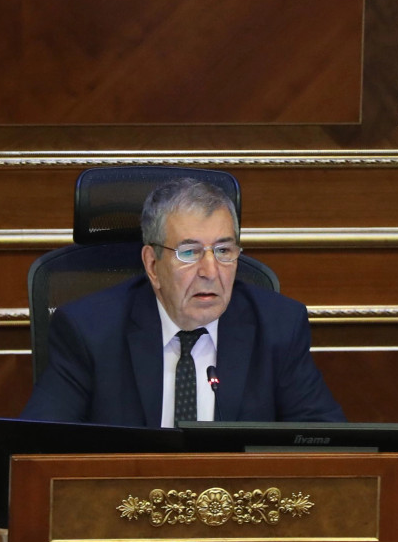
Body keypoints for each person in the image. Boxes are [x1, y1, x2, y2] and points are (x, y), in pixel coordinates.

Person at [21, 178, 345, 426]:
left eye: (223, 251)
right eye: (189, 252)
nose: (210, 272)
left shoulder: (278, 327)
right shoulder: (89, 332)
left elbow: (325, 444)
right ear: (152, 265)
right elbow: (34, 448)